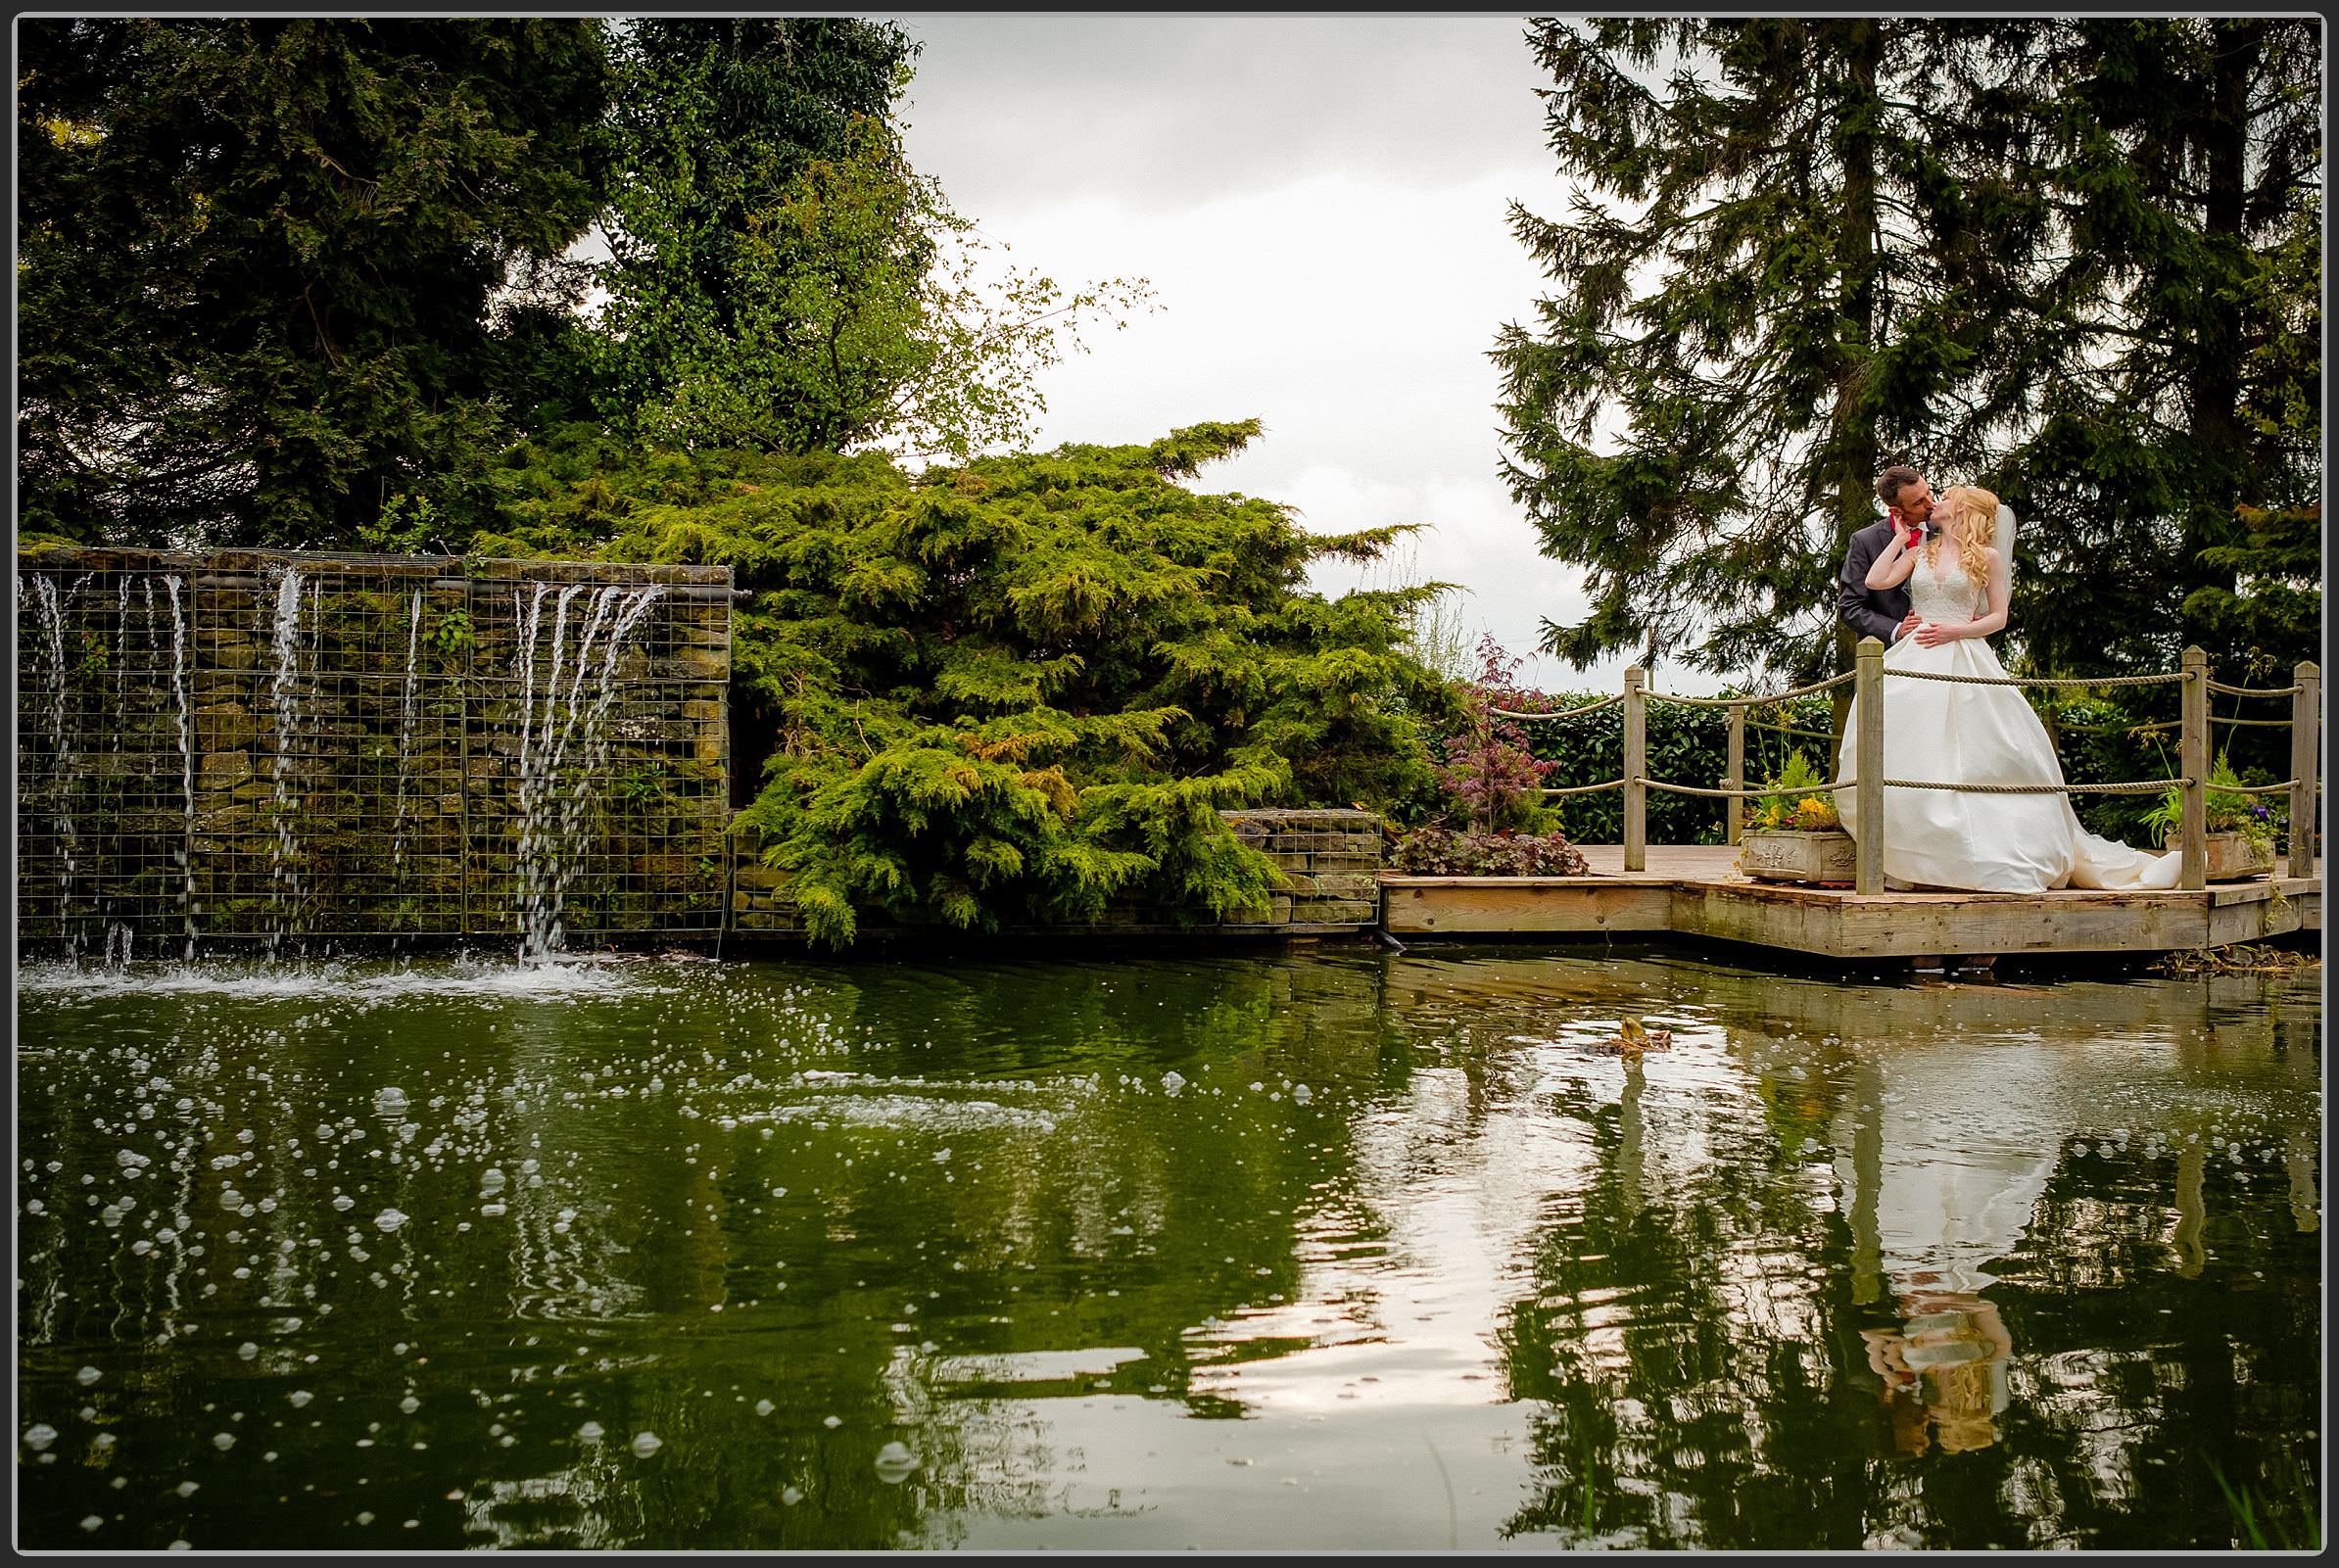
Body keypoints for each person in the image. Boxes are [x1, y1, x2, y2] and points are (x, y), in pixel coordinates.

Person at [1834, 483, 2181, 892]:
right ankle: (1915, 857)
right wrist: (1897, 538)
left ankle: (1980, 854)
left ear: (1962, 511)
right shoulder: (1919, 552)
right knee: (1909, 748)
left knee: (1983, 752)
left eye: (1944, 498)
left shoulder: (1988, 558)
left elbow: (1998, 617)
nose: (1936, 503)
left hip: (1962, 650)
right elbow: (1875, 582)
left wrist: (1955, 631)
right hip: (1916, 653)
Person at [1838, 465, 1930, 649]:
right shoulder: (1865, 541)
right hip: (1889, 655)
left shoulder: (1947, 530)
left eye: (1929, 492)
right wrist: (1896, 630)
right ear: (1896, 511)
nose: (1930, 503)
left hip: (1945, 647)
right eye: (1919, 502)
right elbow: (1850, 607)